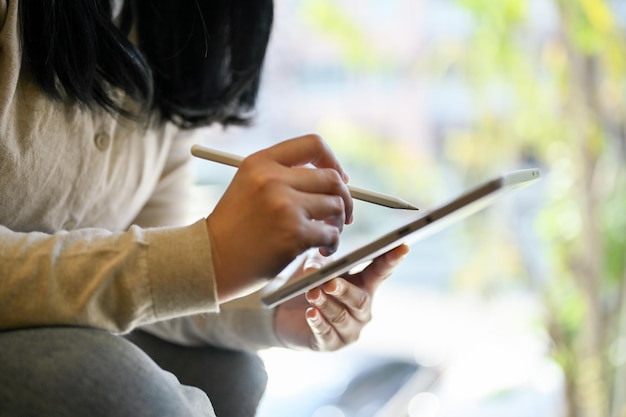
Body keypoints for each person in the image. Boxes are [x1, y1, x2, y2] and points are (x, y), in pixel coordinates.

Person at [0, 1, 409, 416]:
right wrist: (207, 255)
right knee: (125, 394)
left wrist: (275, 311)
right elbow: (159, 267)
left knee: (233, 375)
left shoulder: (172, 30)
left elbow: (149, 271)